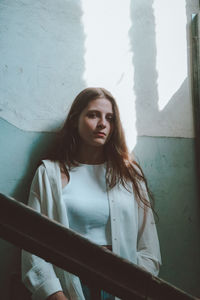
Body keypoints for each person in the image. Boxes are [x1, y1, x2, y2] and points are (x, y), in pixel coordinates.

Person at [21, 87, 161, 300]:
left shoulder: (130, 175)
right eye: (93, 115)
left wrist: (132, 289)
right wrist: (56, 296)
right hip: (68, 285)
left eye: (110, 118)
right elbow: (32, 247)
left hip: (121, 285)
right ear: (75, 120)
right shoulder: (49, 174)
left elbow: (149, 249)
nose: (103, 123)